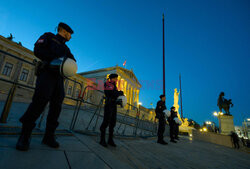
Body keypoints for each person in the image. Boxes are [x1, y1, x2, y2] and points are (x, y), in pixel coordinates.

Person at [16, 22, 75, 151]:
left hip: (59, 78)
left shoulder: (66, 49)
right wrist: (55, 59)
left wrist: (67, 64)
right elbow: (38, 50)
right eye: (70, 33)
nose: (70, 36)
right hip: (47, 73)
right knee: (39, 102)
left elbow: (72, 61)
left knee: (56, 106)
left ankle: (49, 136)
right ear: (64, 31)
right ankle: (25, 135)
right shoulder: (48, 37)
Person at [99, 73, 124, 147]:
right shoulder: (107, 83)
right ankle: (102, 139)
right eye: (116, 78)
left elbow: (115, 94)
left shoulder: (114, 85)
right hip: (109, 104)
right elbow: (110, 93)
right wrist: (120, 92)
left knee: (113, 123)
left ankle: (110, 139)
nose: (117, 80)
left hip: (113, 105)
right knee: (106, 121)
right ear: (112, 78)